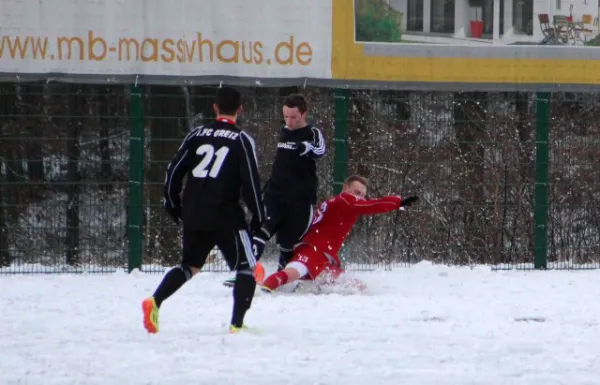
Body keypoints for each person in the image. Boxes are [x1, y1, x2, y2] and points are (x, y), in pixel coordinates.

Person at [141, 86, 265, 334]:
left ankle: (154, 301)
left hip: (194, 212)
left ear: (215, 108)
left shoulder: (196, 135)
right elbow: (251, 181)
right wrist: (258, 216)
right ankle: (237, 325)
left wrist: (172, 203)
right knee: (246, 267)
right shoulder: (241, 139)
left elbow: (174, 170)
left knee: (190, 265)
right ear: (240, 110)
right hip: (226, 214)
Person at [223, 93, 326, 287]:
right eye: (286, 116)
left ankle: (281, 279)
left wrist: (307, 148)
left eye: (293, 117)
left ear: (304, 114)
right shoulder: (283, 131)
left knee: (288, 244)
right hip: (274, 194)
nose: (289, 121)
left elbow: (321, 150)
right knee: (260, 231)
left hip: (300, 200)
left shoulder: (312, 133)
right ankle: (245, 272)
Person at [260, 175, 419, 293]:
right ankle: (263, 291)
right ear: (345, 189)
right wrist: (397, 202)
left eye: (363, 194)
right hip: (313, 250)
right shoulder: (345, 200)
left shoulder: (340, 203)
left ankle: (296, 286)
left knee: (357, 287)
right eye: (357, 192)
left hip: (326, 256)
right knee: (291, 274)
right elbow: (371, 205)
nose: (360, 197)